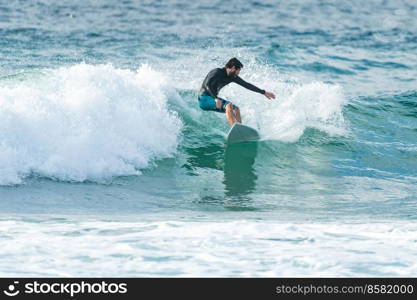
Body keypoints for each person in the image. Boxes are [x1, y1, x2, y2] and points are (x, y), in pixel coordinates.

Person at [198, 57, 276, 126]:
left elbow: (246, 85)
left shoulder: (233, 77)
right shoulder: (217, 72)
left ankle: (239, 130)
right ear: (233, 68)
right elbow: (207, 85)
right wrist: (215, 98)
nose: (238, 73)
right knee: (228, 106)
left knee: (236, 109)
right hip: (204, 98)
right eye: (238, 71)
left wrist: (264, 92)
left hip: (214, 99)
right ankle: (234, 127)